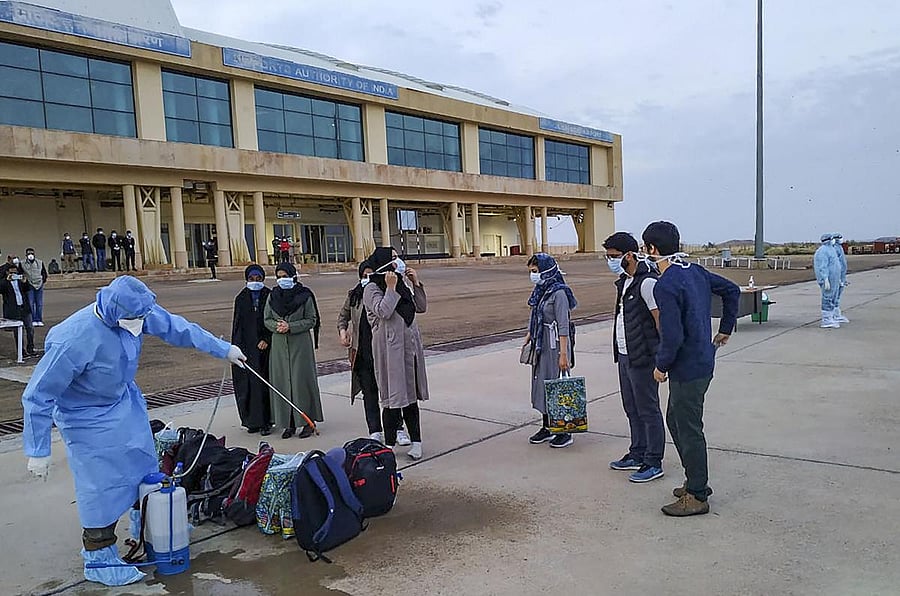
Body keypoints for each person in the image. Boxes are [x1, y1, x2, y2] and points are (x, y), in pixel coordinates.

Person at [21, 276, 247, 587]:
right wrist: (38, 450)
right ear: (114, 312)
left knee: (143, 464)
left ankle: (153, 526)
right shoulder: (73, 339)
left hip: (123, 402)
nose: (140, 324)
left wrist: (223, 349)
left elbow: (178, 328)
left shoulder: (136, 312)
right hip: (85, 415)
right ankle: (99, 557)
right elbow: (38, 394)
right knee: (100, 484)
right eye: (135, 319)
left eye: (142, 318)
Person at [641, 221, 740, 517]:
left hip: (688, 367)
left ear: (652, 249)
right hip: (702, 361)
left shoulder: (666, 285)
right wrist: (725, 327)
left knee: (689, 427)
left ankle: (697, 494)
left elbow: (672, 336)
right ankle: (694, 480)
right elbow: (732, 290)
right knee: (676, 421)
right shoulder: (694, 272)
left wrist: (661, 365)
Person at [603, 232, 665, 483]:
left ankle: (653, 461)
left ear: (630, 255)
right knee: (631, 407)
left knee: (648, 410)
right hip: (625, 355)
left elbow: (659, 319)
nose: (610, 261)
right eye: (608, 257)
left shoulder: (647, 283)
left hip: (643, 357)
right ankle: (637, 452)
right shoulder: (624, 282)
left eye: (614, 256)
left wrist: (663, 357)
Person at [363, 247, 429, 460]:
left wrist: (415, 283)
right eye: (392, 259)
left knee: (410, 397)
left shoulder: (402, 284)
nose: (398, 261)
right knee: (392, 398)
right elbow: (383, 311)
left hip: (409, 348)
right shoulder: (372, 288)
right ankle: (389, 444)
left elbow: (421, 307)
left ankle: (416, 441)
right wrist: (390, 289)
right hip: (389, 350)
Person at [338, 261, 410, 444]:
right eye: (364, 275)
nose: (367, 278)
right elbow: (343, 316)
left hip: (384, 350)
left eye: (371, 274)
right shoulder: (354, 295)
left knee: (391, 392)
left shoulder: (385, 293)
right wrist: (343, 331)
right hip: (363, 352)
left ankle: (397, 428)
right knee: (369, 393)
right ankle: (375, 430)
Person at [524, 253, 578, 449]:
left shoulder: (559, 293)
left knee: (557, 384)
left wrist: (564, 354)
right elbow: (536, 316)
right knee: (542, 384)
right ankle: (547, 425)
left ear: (546, 270)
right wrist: (530, 334)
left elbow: (563, 325)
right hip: (542, 344)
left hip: (556, 344)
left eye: (535, 271)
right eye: (531, 272)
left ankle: (564, 430)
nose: (533, 276)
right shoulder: (541, 291)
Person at [264, 262, 322, 439]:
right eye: (279, 276)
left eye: (285, 276)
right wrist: (277, 326)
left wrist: (291, 326)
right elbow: (266, 319)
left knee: (301, 383)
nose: (282, 280)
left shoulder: (304, 296)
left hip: (300, 345)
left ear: (293, 276)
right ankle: (288, 424)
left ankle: (307, 422)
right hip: (279, 347)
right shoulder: (273, 296)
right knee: (282, 384)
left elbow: (312, 319)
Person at [232, 264, 273, 435]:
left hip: (265, 349)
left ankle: (266, 422)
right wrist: (237, 349)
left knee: (264, 384)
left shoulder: (269, 296)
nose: (255, 282)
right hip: (247, 349)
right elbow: (237, 326)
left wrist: (266, 339)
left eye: (258, 279)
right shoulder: (241, 298)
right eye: (251, 279)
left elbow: (272, 319)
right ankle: (252, 422)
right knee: (249, 385)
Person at [1, 257, 36, 356]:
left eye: (16, 273)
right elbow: (1, 289)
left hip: (24, 308)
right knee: (17, 332)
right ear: (8, 273)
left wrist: (25, 282)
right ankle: (21, 351)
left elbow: (28, 289)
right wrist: (6, 280)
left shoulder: (20, 281)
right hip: (14, 309)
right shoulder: (4, 282)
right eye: (12, 273)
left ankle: (31, 348)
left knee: (30, 329)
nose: (14, 275)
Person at [814, 233, 841, 329]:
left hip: (834, 278)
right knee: (827, 297)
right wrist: (825, 278)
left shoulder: (831, 249)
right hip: (828, 279)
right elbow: (822, 266)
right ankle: (826, 319)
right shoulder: (822, 251)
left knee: (833, 297)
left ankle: (831, 317)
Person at [22, 248, 48, 327]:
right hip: (30, 285)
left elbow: (44, 273)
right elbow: (21, 273)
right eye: (29, 253)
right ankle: (32, 319)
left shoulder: (39, 262)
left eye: (32, 253)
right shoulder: (22, 263)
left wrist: (42, 280)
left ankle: (39, 319)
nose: (31, 255)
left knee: (39, 303)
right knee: (30, 303)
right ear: (26, 255)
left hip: (39, 285)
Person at [831, 233, 849, 323]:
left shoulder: (839, 248)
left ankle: (836, 314)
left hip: (841, 276)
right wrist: (837, 277)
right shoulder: (834, 249)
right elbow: (835, 264)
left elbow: (842, 263)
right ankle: (832, 315)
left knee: (837, 296)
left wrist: (843, 278)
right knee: (834, 296)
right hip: (836, 276)